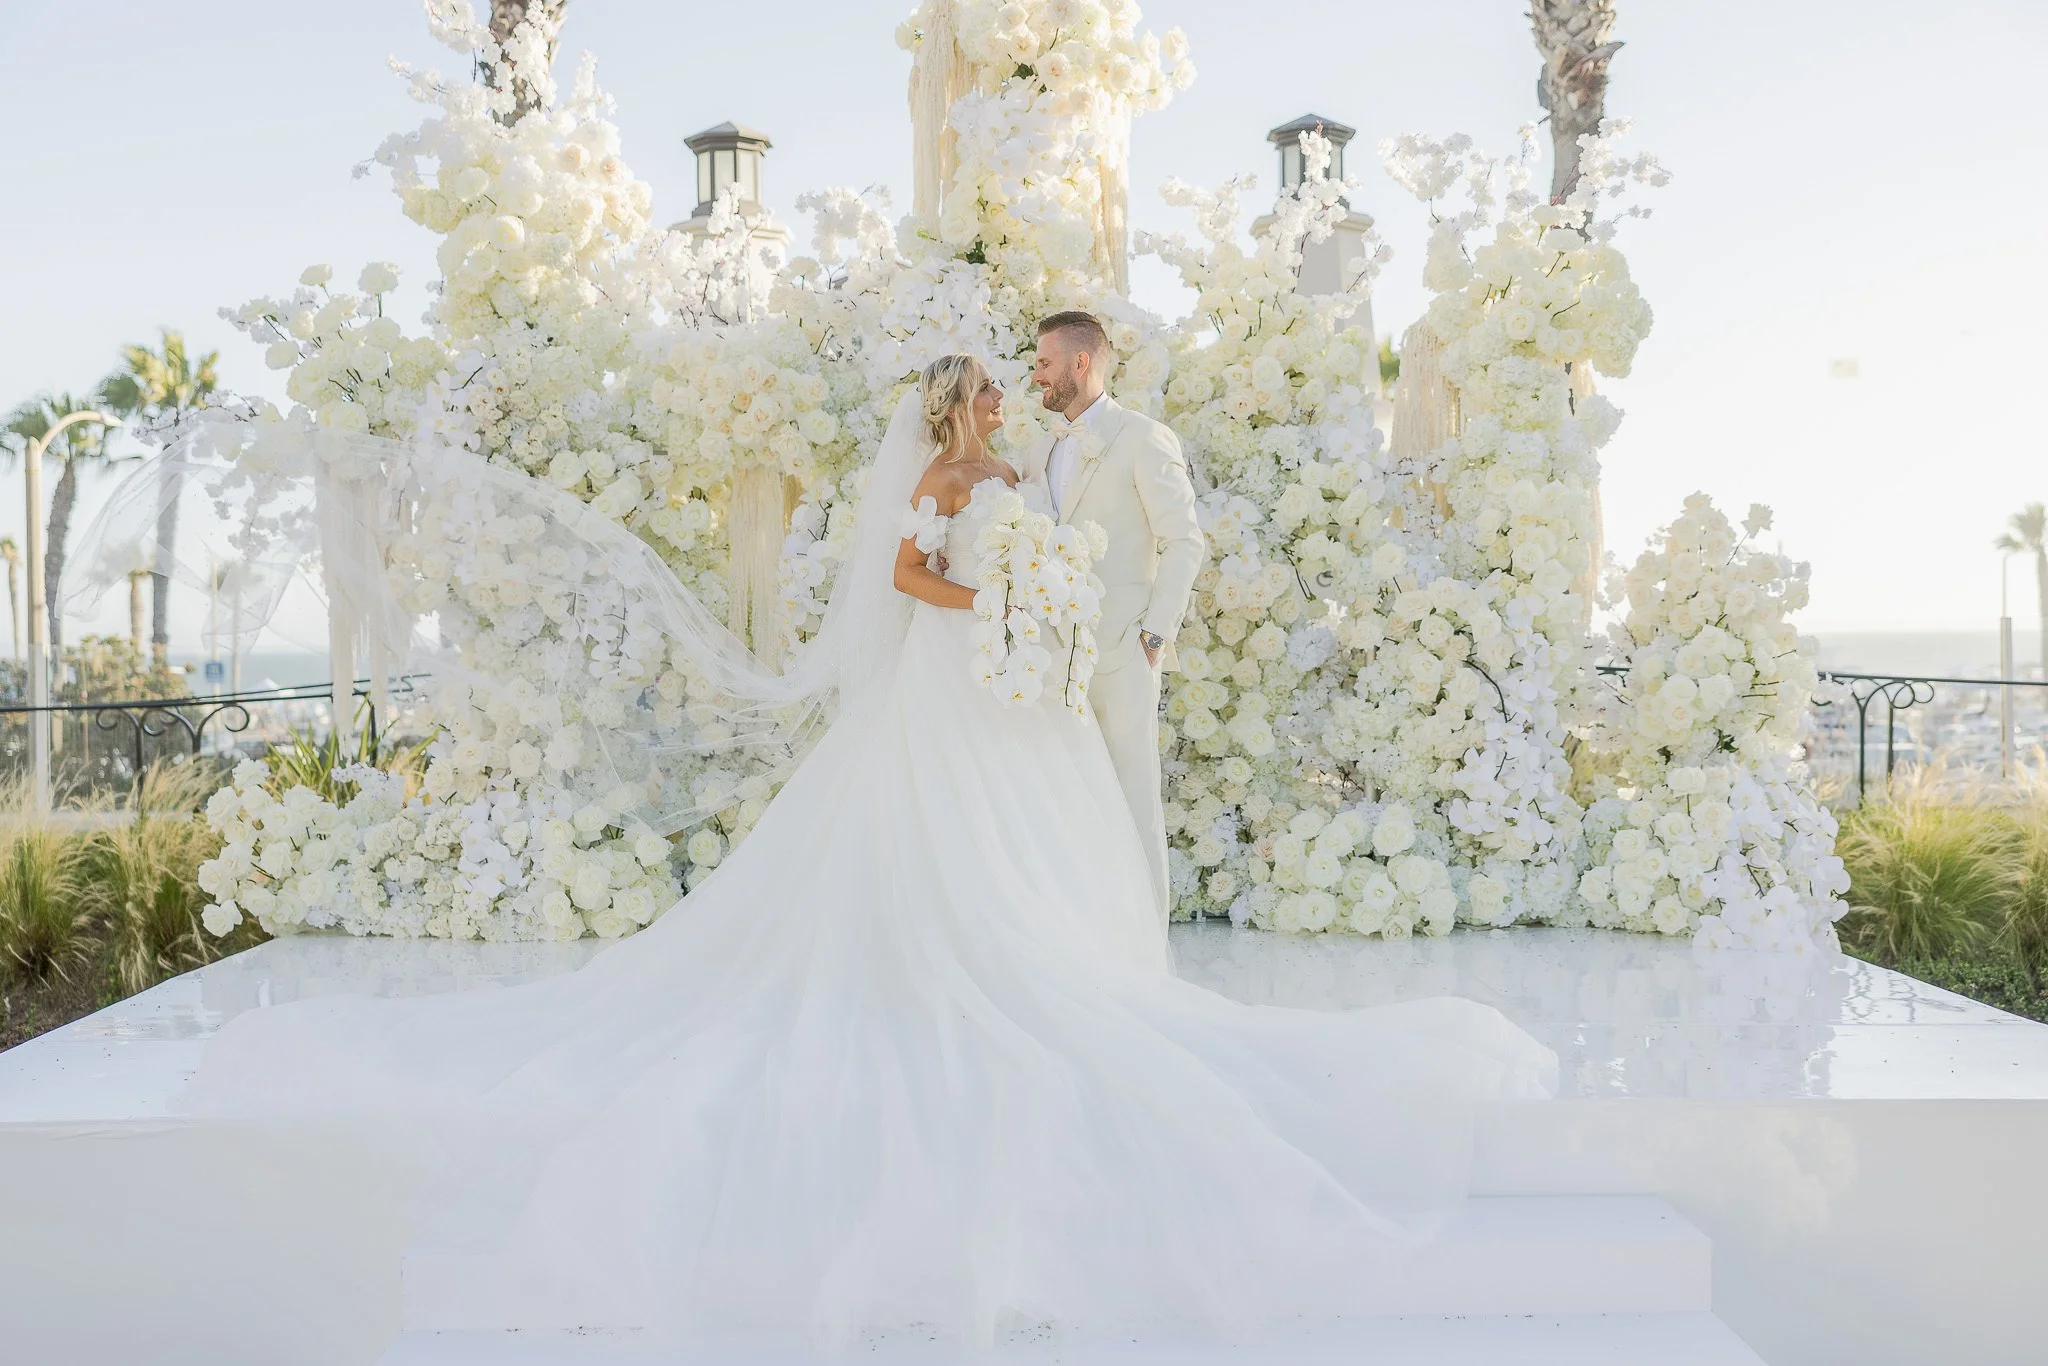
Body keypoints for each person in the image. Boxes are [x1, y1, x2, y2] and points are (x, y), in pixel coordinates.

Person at [183, 355, 1556, 1351]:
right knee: (939, 815)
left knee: (1040, 808)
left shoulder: (1009, 472)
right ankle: (970, 948)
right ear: (957, 410)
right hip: (954, 669)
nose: (1006, 403)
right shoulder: (950, 477)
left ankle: (1065, 941)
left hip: (1013, 674)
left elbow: (1042, 554)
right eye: (991, 394)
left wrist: (1037, 593)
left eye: (1011, 390)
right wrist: (991, 590)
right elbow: (908, 576)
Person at [1020, 312, 1206, 923]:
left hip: (1124, 648)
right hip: (1051, 657)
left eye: (1044, 362)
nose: (1035, 374)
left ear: (1081, 363)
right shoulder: (1040, 447)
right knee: (1063, 797)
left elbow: (1184, 541)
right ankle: (1083, 932)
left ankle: (1145, 941)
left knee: (1132, 797)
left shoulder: (1144, 437)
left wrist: (1155, 634)